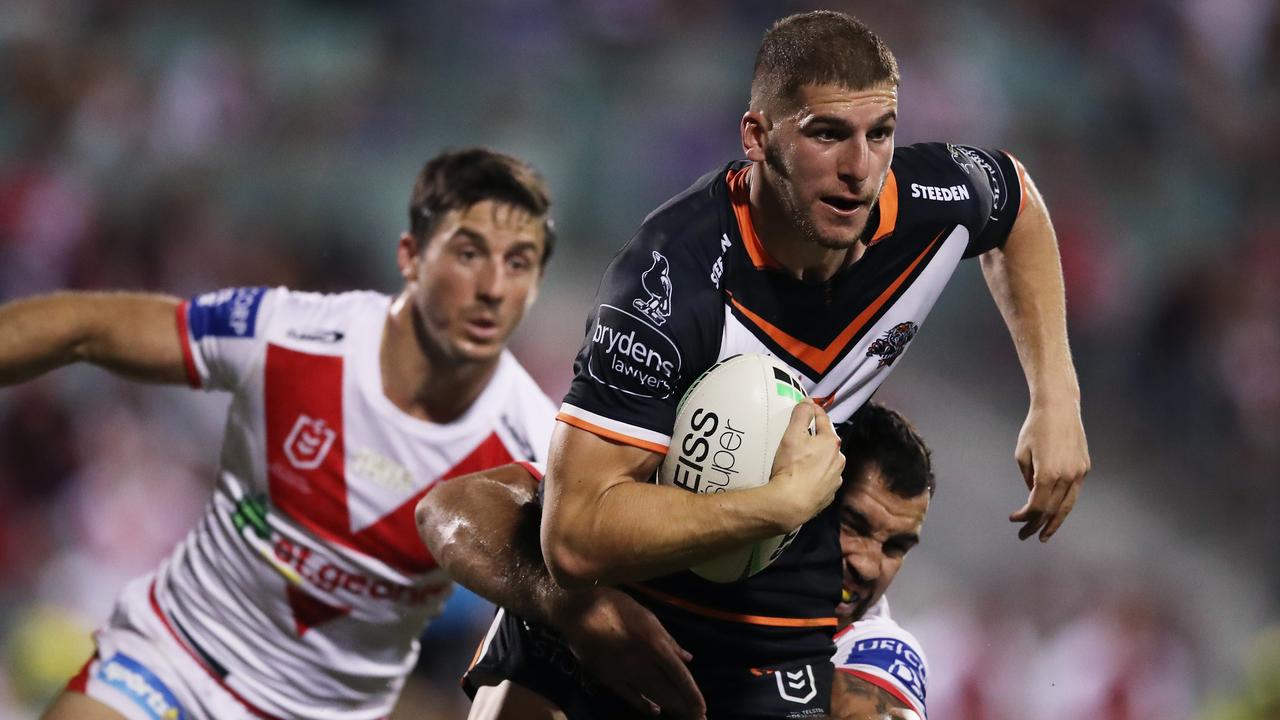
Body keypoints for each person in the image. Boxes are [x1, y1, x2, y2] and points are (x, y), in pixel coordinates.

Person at [537, 10, 1090, 718]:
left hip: (780, 593)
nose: (860, 168)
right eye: (827, 133)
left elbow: (1014, 199)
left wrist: (1055, 396)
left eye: (880, 135)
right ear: (757, 136)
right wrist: (779, 503)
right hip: (641, 603)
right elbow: (574, 540)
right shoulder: (665, 283)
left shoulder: (921, 202)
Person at [0, 148, 560, 720]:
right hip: (172, 661)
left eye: (519, 263)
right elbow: (84, 329)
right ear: (411, 256)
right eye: (469, 253)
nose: (493, 286)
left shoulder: (536, 447)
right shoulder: (288, 336)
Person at [417, 401, 936, 720]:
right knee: (557, 563)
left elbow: (878, 706)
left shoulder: (870, 645)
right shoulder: (646, 526)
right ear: (808, 496)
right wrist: (573, 607)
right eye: (854, 526)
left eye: (896, 548)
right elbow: (445, 511)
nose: (870, 566)